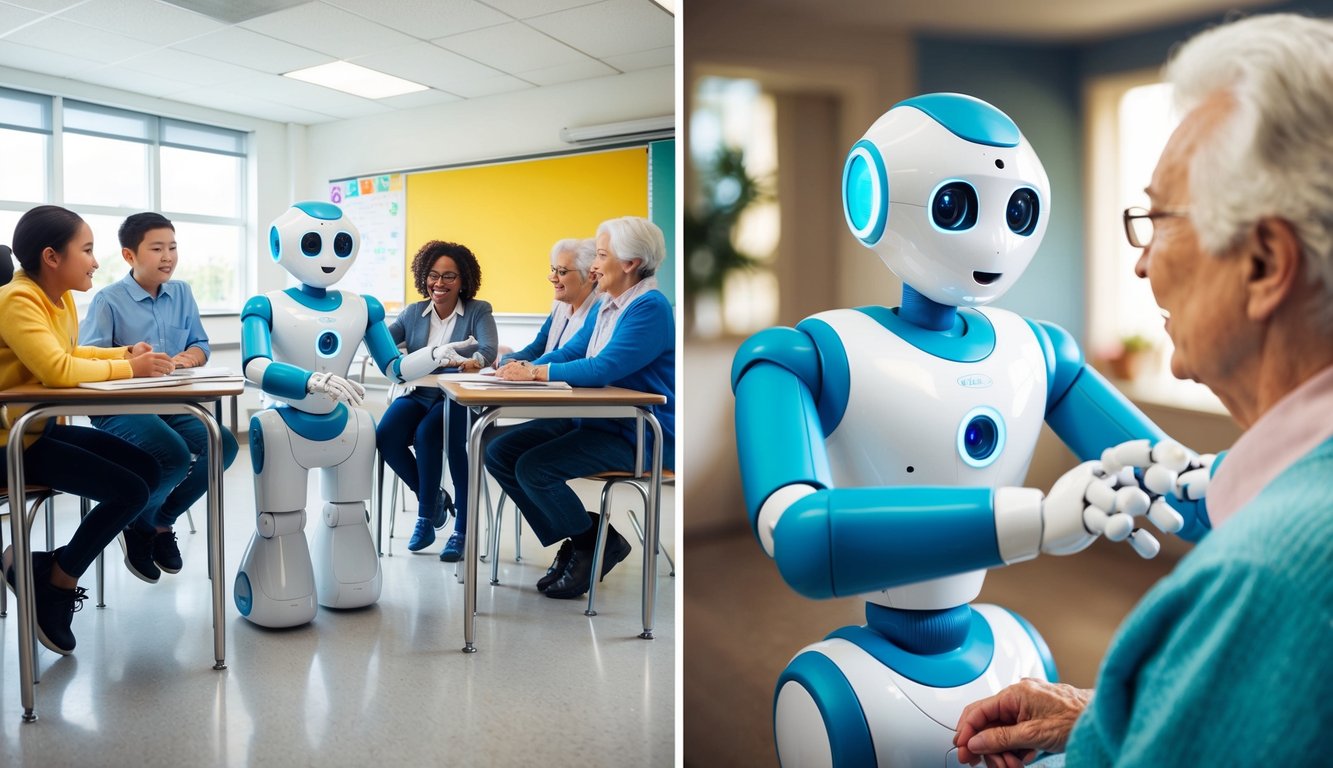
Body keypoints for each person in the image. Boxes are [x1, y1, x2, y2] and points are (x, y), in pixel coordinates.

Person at [955, 14, 1333, 766]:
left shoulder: (1264, 583)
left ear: (1262, 264)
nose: (1140, 266)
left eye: (1157, 220)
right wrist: (1117, 716)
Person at [0, 204, 174, 655]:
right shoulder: (17, 300)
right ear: (52, 257)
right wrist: (132, 370)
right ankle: (57, 582)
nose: (96, 262)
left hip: (37, 431)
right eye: (88, 250)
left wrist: (124, 355)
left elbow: (74, 353)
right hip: (10, 443)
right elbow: (58, 370)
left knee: (147, 468)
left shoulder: (58, 300)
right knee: (130, 491)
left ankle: (45, 567)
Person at [485, 216, 675, 600]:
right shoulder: (608, 302)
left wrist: (536, 374)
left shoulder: (648, 308)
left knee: (534, 468)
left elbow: (606, 367)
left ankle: (590, 544)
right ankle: (591, 539)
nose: (593, 266)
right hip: (594, 420)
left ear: (630, 263)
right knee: (498, 451)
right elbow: (574, 350)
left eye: (601, 255)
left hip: (635, 433)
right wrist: (521, 369)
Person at [79, 212, 239, 581]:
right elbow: (87, 357)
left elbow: (201, 343)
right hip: (119, 409)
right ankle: (139, 521)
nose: (168, 256)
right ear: (129, 256)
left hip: (172, 404)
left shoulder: (181, 292)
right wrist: (132, 360)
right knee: (174, 453)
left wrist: (188, 358)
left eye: (172, 247)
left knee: (223, 446)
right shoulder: (108, 300)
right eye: (156, 248)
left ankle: (154, 523)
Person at [376, 240, 497, 562]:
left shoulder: (477, 310)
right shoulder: (414, 313)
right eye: (433, 275)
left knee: (432, 433)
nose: (439, 284)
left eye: (449, 277)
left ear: (463, 280)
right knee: (386, 435)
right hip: (420, 393)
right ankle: (434, 499)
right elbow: (383, 340)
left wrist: (472, 362)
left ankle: (452, 526)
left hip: (459, 397)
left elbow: (487, 352)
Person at [500, 237, 600, 364]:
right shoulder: (559, 306)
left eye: (562, 272)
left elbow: (569, 357)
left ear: (590, 276)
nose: (552, 278)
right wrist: (506, 360)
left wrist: (526, 367)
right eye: (553, 270)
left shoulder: (599, 311)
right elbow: (534, 350)